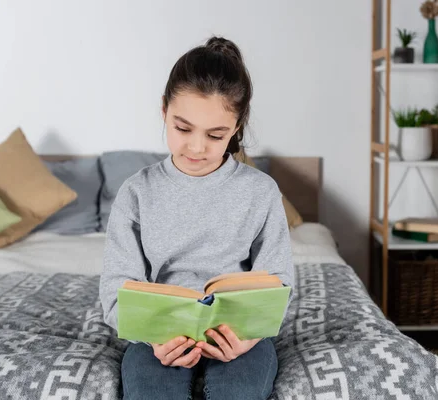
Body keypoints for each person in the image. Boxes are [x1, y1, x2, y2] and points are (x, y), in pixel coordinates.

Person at [99, 36, 295, 400]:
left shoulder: (261, 191)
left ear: (237, 127)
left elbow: (279, 280)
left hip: (240, 339)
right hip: (158, 338)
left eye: (216, 134)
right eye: (183, 128)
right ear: (163, 110)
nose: (197, 148)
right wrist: (152, 339)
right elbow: (115, 288)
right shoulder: (136, 192)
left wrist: (248, 338)